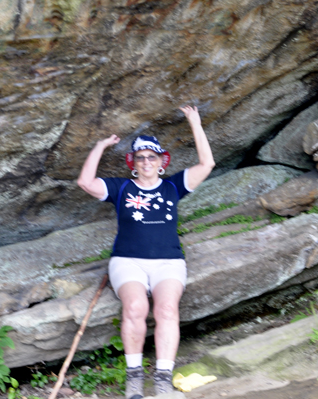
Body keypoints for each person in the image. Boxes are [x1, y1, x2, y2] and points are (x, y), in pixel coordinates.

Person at [77, 105, 215, 398]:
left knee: (166, 309)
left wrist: (195, 123)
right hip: (128, 262)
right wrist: (100, 146)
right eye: (140, 158)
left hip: (168, 262)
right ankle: (134, 378)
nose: (146, 162)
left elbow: (207, 164)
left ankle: (163, 378)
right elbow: (85, 182)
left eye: (151, 157)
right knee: (136, 307)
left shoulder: (174, 187)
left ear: (161, 161)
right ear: (133, 163)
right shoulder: (121, 188)